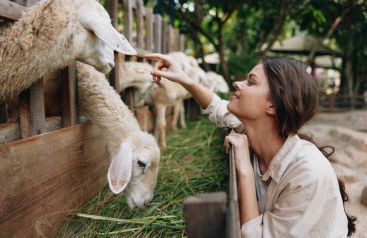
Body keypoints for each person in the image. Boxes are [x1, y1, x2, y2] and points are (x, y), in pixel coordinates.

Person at [144, 54, 356, 238]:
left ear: (272, 105)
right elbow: (217, 107)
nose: (237, 83)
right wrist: (184, 79)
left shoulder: (308, 174)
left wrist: (244, 169)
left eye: (250, 82)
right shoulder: (256, 130)